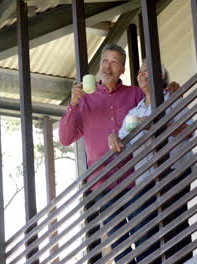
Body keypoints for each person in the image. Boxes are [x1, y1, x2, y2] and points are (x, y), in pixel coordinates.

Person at [59, 43, 144, 263]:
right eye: (105, 61)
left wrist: (169, 88)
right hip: (103, 184)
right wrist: (73, 104)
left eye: (114, 62)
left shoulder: (134, 94)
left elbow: (152, 108)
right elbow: (65, 139)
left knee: (145, 237)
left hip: (134, 176)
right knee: (120, 246)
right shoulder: (84, 100)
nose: (108, 67)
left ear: (122, 69)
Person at [108, 62, 193, 263]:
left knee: (175, 226)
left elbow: (189, 130)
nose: (142, 74)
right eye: (139, 72)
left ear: (161, 75)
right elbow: (121, 142)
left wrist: (159, 124)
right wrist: (113, 136)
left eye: (147, 70)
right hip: (146, 178)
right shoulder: (133, 114)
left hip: (173, 171)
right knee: (148, 233)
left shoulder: (172, 98)